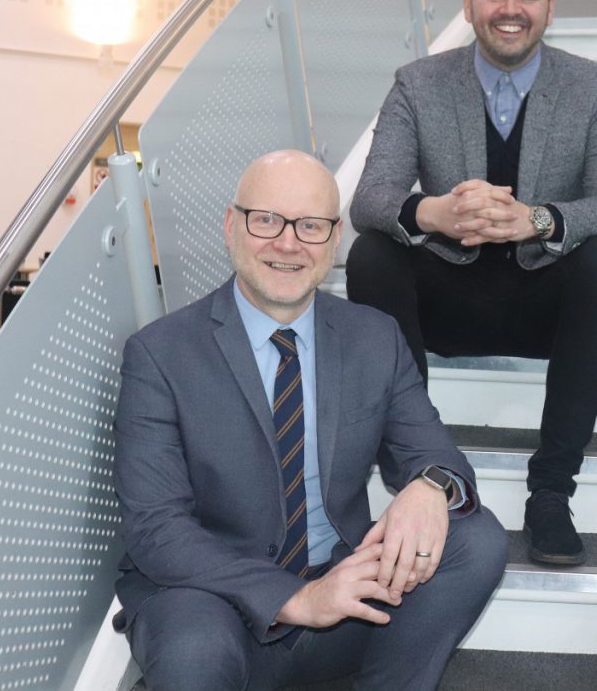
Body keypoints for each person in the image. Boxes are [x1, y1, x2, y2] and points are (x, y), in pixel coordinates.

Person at [112, 150, 507, 691]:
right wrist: (295, 599)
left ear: (335, 239)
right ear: (231, 225)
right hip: (216, 601)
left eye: (312, 225)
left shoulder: (374, 337)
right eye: (267, 219)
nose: (289, 242)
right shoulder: (160, 354)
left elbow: (435, 453)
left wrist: (429, 486)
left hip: (345, 593)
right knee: (193, 652)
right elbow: (155, 529)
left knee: (476, 539)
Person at [346, 0, 597, 566]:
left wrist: (537, 219)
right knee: (372, 252)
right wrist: (437, 212)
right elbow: (368, 197)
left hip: (544, 302)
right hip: (450, 296)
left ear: (550, 7)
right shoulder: (417, 84)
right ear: (471, 2)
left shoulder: (596, 89)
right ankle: (422, 472)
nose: (512, 8)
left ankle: (551, 492)